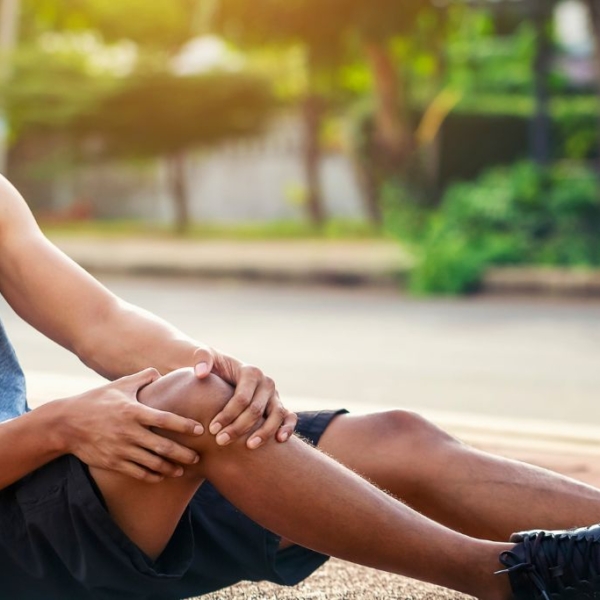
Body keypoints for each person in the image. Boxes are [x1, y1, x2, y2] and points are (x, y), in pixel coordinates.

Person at [1, 172, 600, 600]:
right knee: (190, 408)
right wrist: (57, 425)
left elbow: (100, 324)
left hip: (38, 480)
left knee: (393, 439)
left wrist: (221, 373)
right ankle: (497, 576)